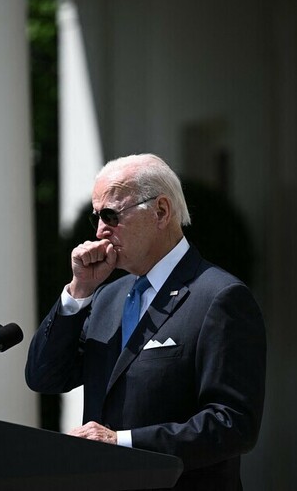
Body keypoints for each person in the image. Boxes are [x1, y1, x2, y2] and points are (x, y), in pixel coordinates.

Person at [25, 153, 266, 490]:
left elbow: (232, 424)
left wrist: (123, 442)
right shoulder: (105, 297)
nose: (100, 230)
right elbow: (44, 376)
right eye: (97, 217)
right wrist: (78, 291)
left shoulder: (220, 296)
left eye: (111, 215)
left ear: (161, 211)